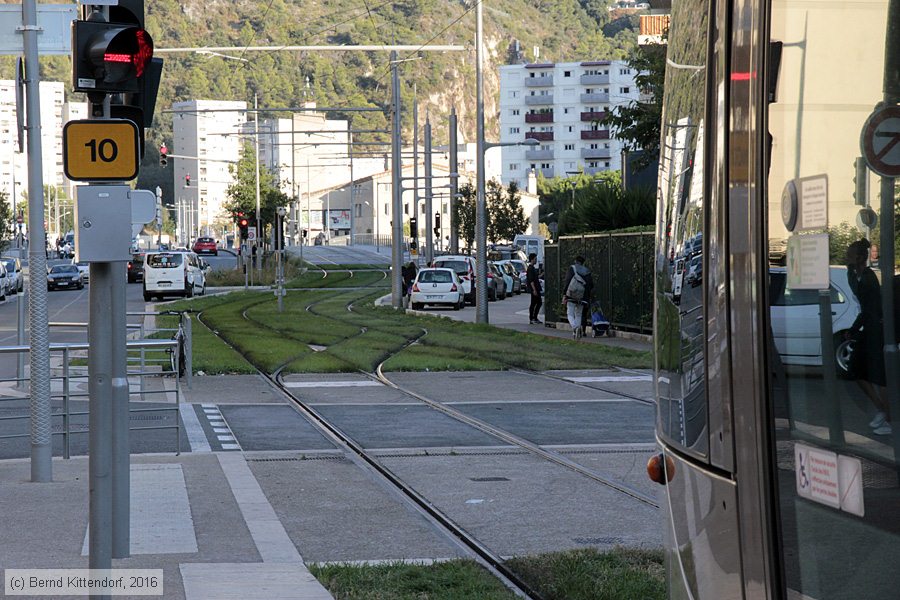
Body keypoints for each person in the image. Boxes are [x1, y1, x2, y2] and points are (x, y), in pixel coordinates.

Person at [845, 239, 891, 435]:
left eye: (850, 254)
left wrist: (855, 329)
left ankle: (887, 417)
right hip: (870, 328)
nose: (847, 257)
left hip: (876, 329)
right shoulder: (858, 275)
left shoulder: (869, 278)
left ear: (859, 257)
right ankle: (883, 410)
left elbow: (870, 309)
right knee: (857, 370)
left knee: (878, 376)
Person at [563, 255, 593, 339]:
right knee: (579, 314)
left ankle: (575, 327)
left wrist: (564, 294)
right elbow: (591, 285)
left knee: (570, 313)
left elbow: (567, 281)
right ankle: (577, 332)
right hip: (582, 296)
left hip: (571, 294)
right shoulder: (587, 271)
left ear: (575, 261)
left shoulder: (572, 268)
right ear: (583, 263)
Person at [526, 252, 542, 324]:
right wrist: (534, 290)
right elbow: (531, 280)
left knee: (538, 303)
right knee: (535, 303)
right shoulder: (530, 269)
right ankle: (532, 318)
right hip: (534, 289)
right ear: (532, 260)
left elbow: (536, 278)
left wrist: (542, 274)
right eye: (535, 259)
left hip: (536, 288)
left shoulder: (533, 268)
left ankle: (534, 317)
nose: (536, 260)